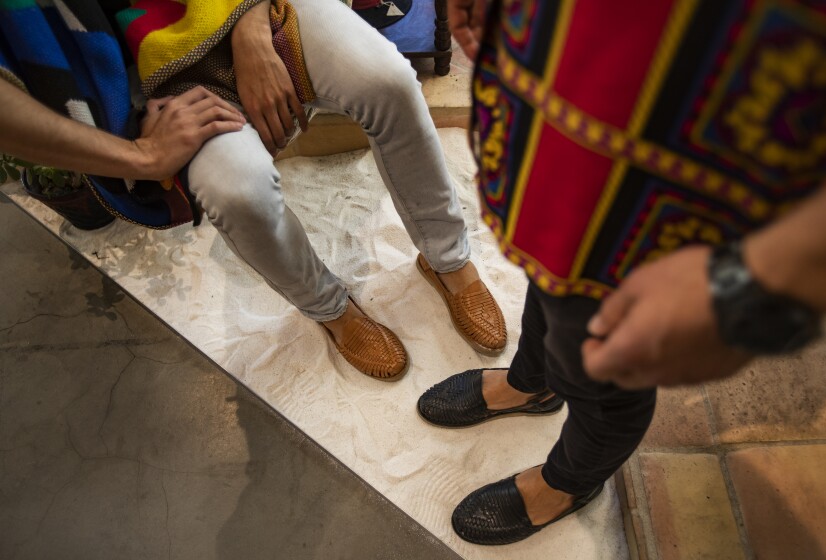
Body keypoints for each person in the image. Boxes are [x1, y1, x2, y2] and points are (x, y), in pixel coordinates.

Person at [417, 0, 826, 546]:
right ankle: (534, 383)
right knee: (552, 259)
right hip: (569, 61)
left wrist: (763, 283)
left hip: (702, 115)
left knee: (603, 362)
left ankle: (570, 480)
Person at [0, 0, 508, 380]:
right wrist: (142, 158)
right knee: (237, 192)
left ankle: (447, 258)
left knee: (390, 80)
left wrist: (250, 20)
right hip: (152, 80)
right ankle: (330, 308)